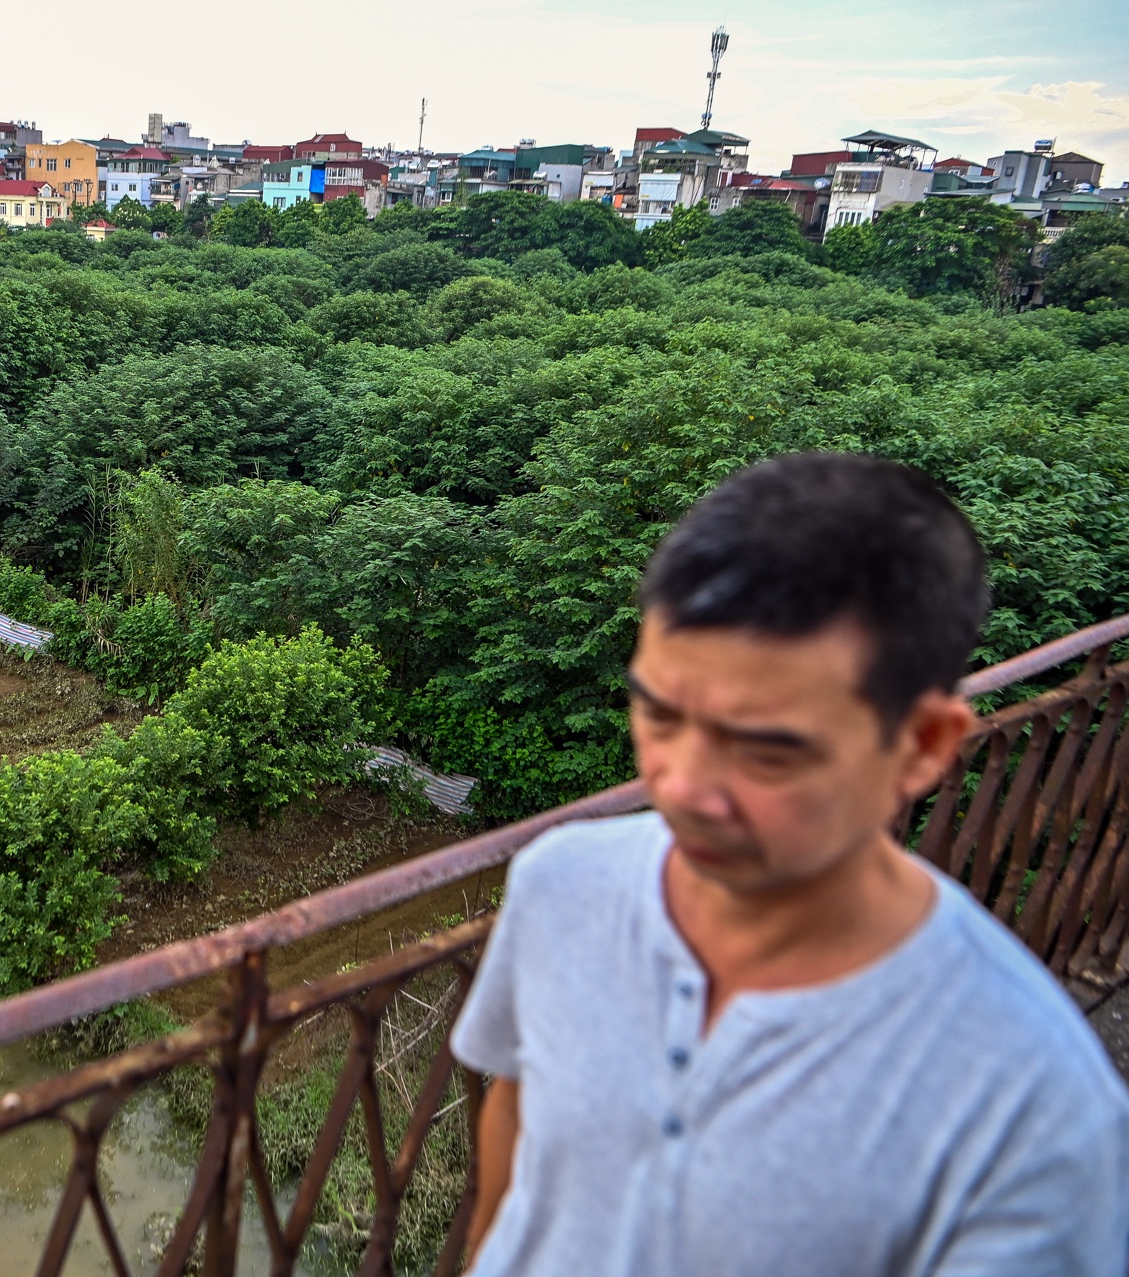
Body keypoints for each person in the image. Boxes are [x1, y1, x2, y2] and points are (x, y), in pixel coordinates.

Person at [451, 452, 1129, 1275]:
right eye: (659, 714)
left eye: (767, 750)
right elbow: (516, 1124)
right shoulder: (561, 881)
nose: (683, 788)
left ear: (920, 746)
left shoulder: (1030, 1112)